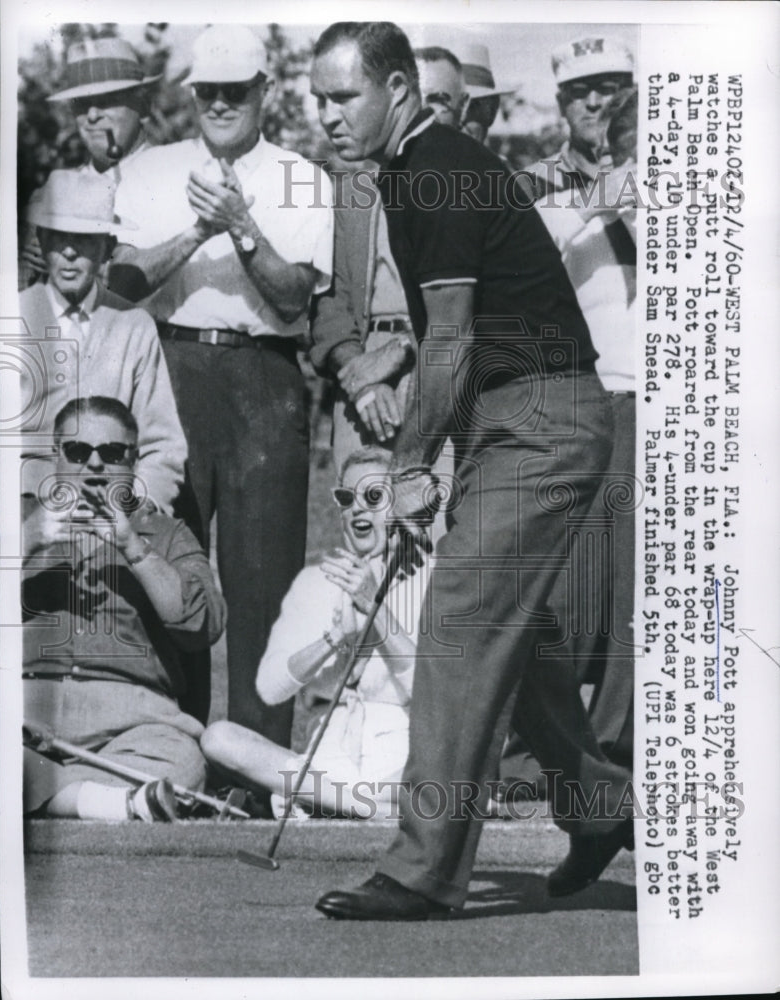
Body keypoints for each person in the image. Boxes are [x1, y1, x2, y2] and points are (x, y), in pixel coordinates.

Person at [309, 21, 634, 921]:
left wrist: (408, 464)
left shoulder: (433, 172)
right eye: (317, 99)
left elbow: (452, 338)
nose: (327, 117)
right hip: (516, 415)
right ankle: (601, 802)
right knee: (511, 633)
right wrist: (396, 367)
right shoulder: (413, 171)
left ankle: (421, 871)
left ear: (398, 91)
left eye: (343, 97)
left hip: (542, 419)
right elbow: (456, 329)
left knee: (458, 620)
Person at [109, 25, 333, 749]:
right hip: (169, 370)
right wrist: (195, 233)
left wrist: (240, 226)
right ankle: (167, 748)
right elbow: (121, 283)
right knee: (167, 563)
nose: (221, 102)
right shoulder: (150, 169)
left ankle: (250, 765)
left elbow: (297, 296)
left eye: (236, 89)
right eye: (208, 90)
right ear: (191, 93)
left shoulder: (302, 174)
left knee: (263, 579)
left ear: (265, 90)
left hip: (264, 378)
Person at [503, 41, 637, 792]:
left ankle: (617, 752)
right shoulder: (536, 185)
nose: (596, 103)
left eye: (612, 88)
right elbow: (520, 268)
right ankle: (547, 758)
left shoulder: (670, 169)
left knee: (636, 592)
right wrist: (595, 201)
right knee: (561, 591)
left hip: (654, 400)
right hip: (575, 401)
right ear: (560, 104)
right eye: (581, 92)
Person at [22, 396, 225, 821]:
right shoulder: (17, 517)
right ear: (56, 455)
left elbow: (200, 624)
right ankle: (108, 802)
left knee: (182, 765)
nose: (95, 465)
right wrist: (26, 541)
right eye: (78, 451)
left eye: (112, 453)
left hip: (133, 721)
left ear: (133, 460)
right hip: (26, 709)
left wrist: (134, 547)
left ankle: (41, 791)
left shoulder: (166, 532)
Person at [202, 448, 428, 817]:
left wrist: (376, 609)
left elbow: (430, 694)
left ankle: (327, 801)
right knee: (219, 738)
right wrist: (332, 640)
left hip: (400, 761)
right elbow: (272, 688)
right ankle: (360, 804)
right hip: (327, 759)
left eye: (373, 497)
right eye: (347, 498)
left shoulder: (431, 580)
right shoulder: (314, 582)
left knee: (437, 781)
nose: (358, 509)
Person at [310, 45, 466, 474]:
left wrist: (403, 349)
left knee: (437, 525)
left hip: (441, 365)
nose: (424, 112)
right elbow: (326, 300)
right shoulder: (351, 191)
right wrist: (359, 376)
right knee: (365, 524)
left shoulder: (480, 187)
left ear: (463, 110)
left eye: (440, 101)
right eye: (416, 97)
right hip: (364, 366)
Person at [19, 169, 187, 515]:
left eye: (84, 239)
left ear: (107, 248)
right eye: (57, 237)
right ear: (41, 239)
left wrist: (138, 516)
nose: (68, 252)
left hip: (112, 515)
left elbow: (162, 446)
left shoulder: (133, 326)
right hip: (24, 512)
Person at [19, 36, 159, 289]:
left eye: (108, 99)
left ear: (144, 106)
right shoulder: (52, 194)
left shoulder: (177, 183)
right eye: (82, 103)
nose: (93, 115)